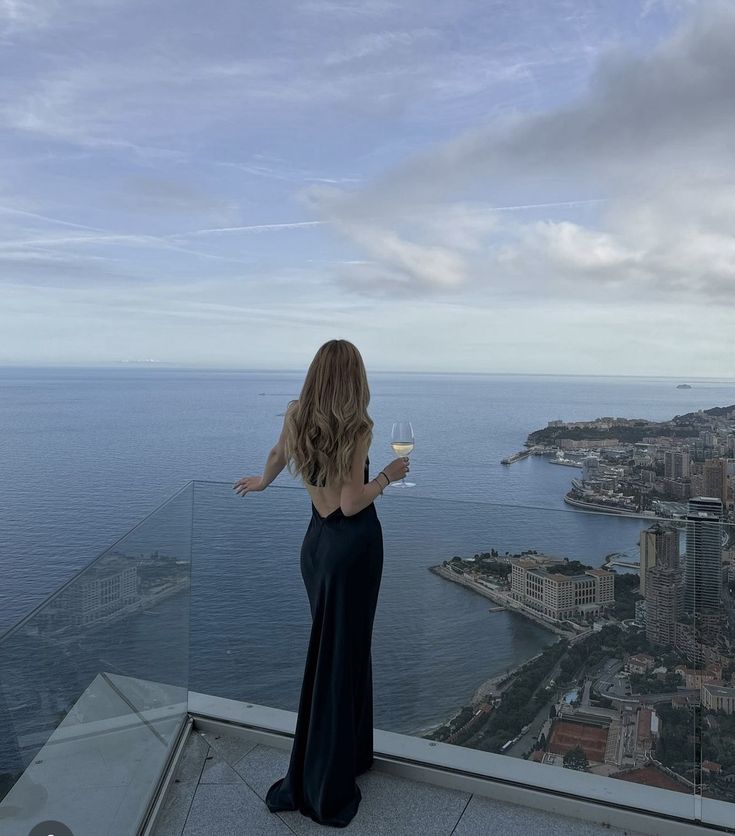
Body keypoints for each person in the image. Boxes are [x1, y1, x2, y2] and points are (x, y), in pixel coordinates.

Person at [233, 339, 409, 827]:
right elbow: (351, 502)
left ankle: (340, 758)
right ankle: (328, 778)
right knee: (344, 656)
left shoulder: (295, 414)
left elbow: (275, 453)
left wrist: (263, 482)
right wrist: (390, 476)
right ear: (356, 379)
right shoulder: (357, 427)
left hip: (316, 548)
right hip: (352, 548)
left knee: (330, 656)